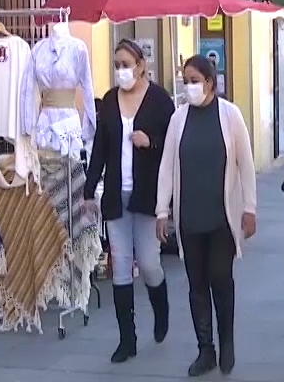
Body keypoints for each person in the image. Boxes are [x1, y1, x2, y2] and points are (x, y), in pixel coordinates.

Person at [155, 54, 257, 377]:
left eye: (194, 80)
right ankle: (205, 349)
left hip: (222, 217)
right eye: (185, 81)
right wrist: (162, 211)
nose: (189, 87)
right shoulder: (178, 119)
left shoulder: (230, 115)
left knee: (220, 278)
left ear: (210, 83)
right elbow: (167, 167)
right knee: (196, 283)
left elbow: (246, 164)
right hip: (189, 219)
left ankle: (226, 340)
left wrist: (250, 209)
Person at [84, 38, 175, 364]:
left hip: (147, 195)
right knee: (120, 265)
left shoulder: (160, 100)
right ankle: (127, 339)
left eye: (126, 64)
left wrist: (150, 142)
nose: (121, 70)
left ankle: (161, 309)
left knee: (149, 263)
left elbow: (173, 142)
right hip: (115, 195)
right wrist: (89, 187)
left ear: (140, 65)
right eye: (116, 65)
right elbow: (99, 148)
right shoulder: (109, 101)